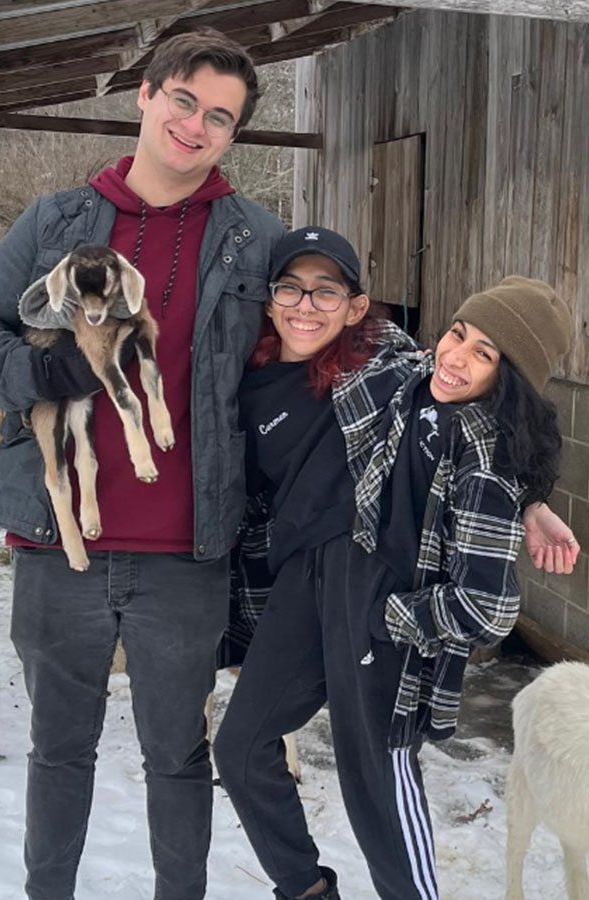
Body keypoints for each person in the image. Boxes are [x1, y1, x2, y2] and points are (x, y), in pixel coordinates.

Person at [0, 28, 285, 900]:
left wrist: (522, 476)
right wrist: (34, 371)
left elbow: (339, 343)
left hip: (188, 552)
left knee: (178, 757)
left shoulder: (257, 240)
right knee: (60, 751)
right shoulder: (56, 221)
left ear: (231, 135)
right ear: (144, 93)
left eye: (219, 117)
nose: (195, 126)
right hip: (61, 545)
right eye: (184, 100)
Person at [213, 226, 577, 900]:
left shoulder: (488, 456)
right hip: (310, 575)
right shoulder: (403, 371)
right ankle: (305, 887)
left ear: (510, 379)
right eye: (458, 332)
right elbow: (373, 337)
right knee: (240, 746)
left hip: (381, 602)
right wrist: (538, 500)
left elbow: (490, 607)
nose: (458, 356)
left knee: (375, 779)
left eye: (484, 352)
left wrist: (394, 614)